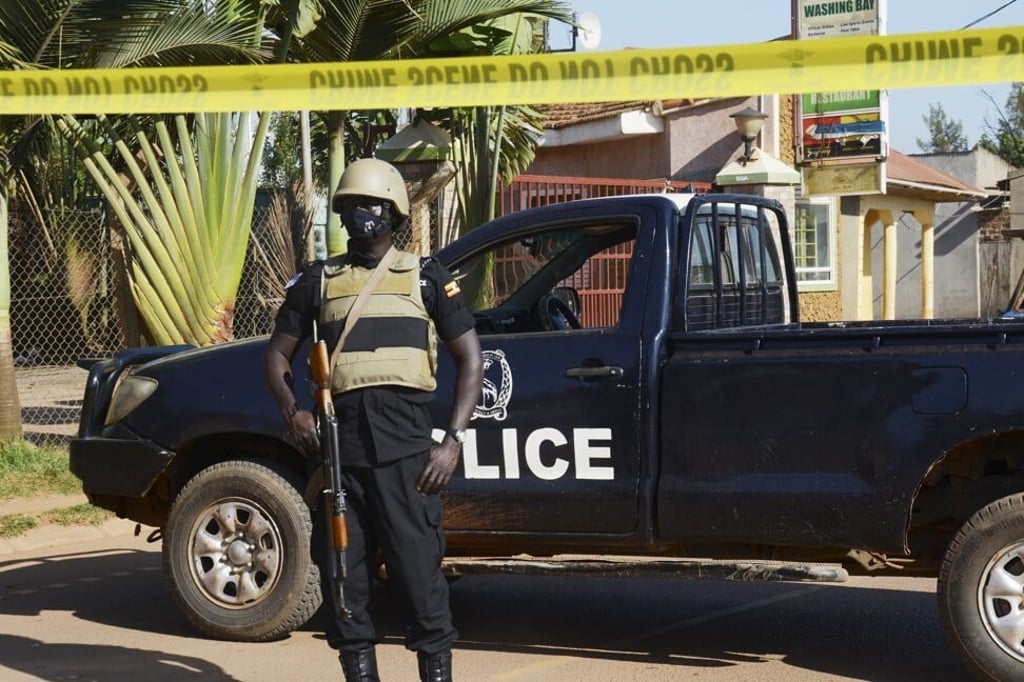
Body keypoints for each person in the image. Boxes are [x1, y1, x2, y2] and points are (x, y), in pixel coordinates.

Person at [264, 157, 483, 682]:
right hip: (341, 460)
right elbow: (275, 358)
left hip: (408, 459)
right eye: (351, 205)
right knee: (346, 587)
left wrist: (451, 442)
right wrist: (292, 411)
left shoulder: (427, 278)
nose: (361, 214)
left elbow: (471, 360)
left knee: (420, 584)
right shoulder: (317, 282)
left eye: (372, 205)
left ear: (393, 212)